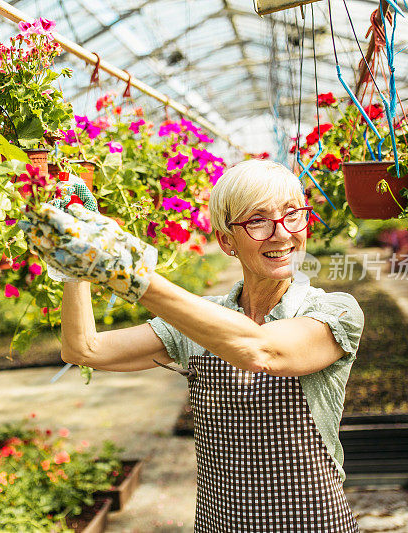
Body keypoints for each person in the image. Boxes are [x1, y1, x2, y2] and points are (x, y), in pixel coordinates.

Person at [20, 159, 364, 532]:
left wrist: (130, 272)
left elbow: (262, 351)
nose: (282, 234)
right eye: (258, 221)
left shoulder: (335, 310)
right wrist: (76, 264)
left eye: (293, 214)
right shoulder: (201, 321)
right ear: (226, 240)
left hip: (311, 524)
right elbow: (83, 350)